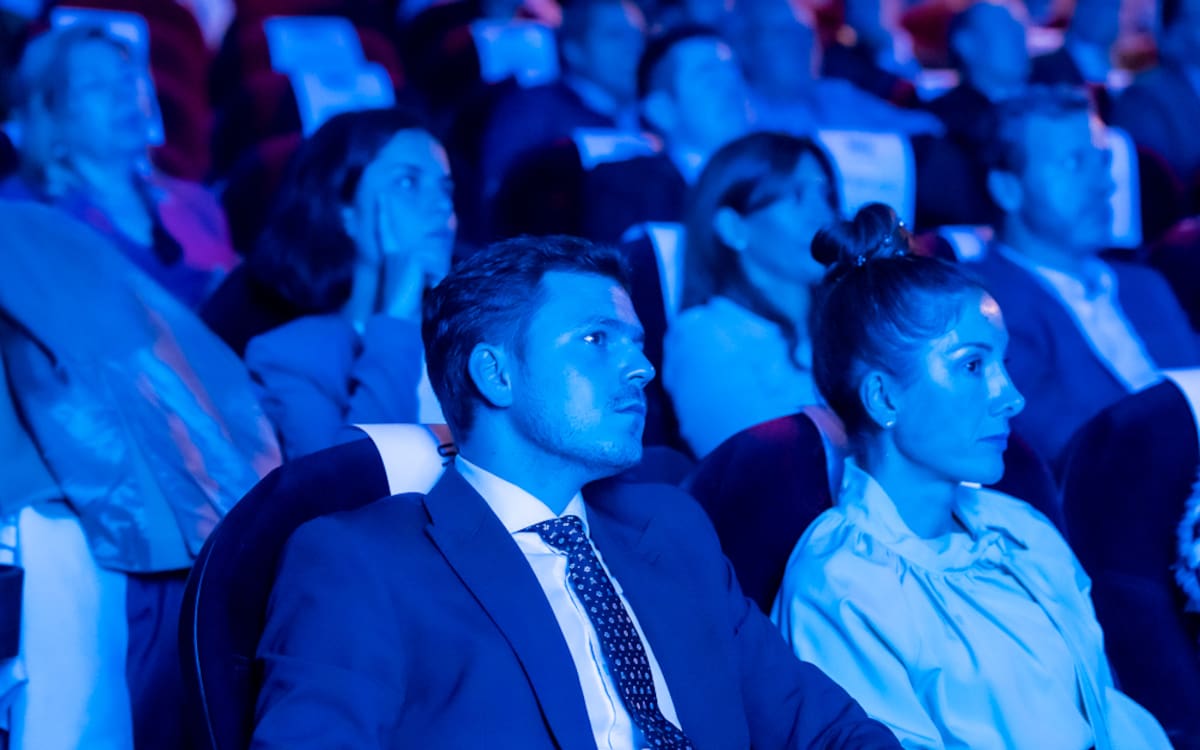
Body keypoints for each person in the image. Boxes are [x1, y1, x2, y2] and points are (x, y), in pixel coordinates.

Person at [251, 234, 902, 748]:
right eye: (596, 340)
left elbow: (823, 728)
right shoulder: (360, 561)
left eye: (636, 345)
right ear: (495, 374)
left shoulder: (671, 528)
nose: (641, 367)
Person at [771, 202, 1172, 750]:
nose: (1012, 397)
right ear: (883, 397)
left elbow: (1108, 713)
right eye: (973, 365)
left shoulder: (1022, 530)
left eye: (1004, 364)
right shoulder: (841, 587)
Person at [969, 85, 1200, 467]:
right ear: (1008, 189)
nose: (1105, 184)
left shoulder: (1144, 285)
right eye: (1074, 164)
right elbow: (1074, 455)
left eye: (1103, 161)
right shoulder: (982, 306)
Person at [216, 108, 455, 460]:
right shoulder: (292, 356)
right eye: (407, 183)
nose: (441, 206)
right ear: (346, 212)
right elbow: (350, 485)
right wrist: (396, 321)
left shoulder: (484, 334)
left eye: (446, 188)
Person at [1, 24, 238, 310]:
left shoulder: (198, 202)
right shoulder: (23, 213)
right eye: (95, 85)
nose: (123, 94)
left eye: (127, 77)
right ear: (49, 114)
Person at [664, 132, 837, 457]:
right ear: (734, 227)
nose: (823, 215)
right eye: (797, 197)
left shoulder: (846, 321)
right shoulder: (705, 336)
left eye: (825, 195)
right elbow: (764, 465)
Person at [579, 24, 754, 242]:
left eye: (735, 71)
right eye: (709, 77)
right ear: (662, 110)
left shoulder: (781, 176)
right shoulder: (626, 189)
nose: (732, 86)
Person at [479, 0, 647, 198]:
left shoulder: (656, 114)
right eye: (615, 36)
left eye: (639, 36)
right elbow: (499, 192)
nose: (634, 48)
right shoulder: (534, 109)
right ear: (574, 50)